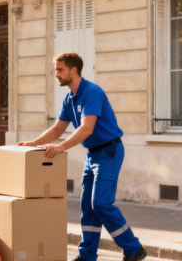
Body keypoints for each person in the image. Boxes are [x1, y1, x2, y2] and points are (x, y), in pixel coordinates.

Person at [18, 53, 146, 261]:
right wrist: (34, 143)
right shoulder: (70, 98)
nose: (56, 74)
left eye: (60, 70)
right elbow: (58, 128)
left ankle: (133, 248)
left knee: (101, 203)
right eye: (56, 70)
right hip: (92, 155)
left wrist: (61, 148)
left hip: (108, 152)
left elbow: (86, 128)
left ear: (73, 70)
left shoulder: (91, 92)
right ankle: (87, 256)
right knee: (88, 206)